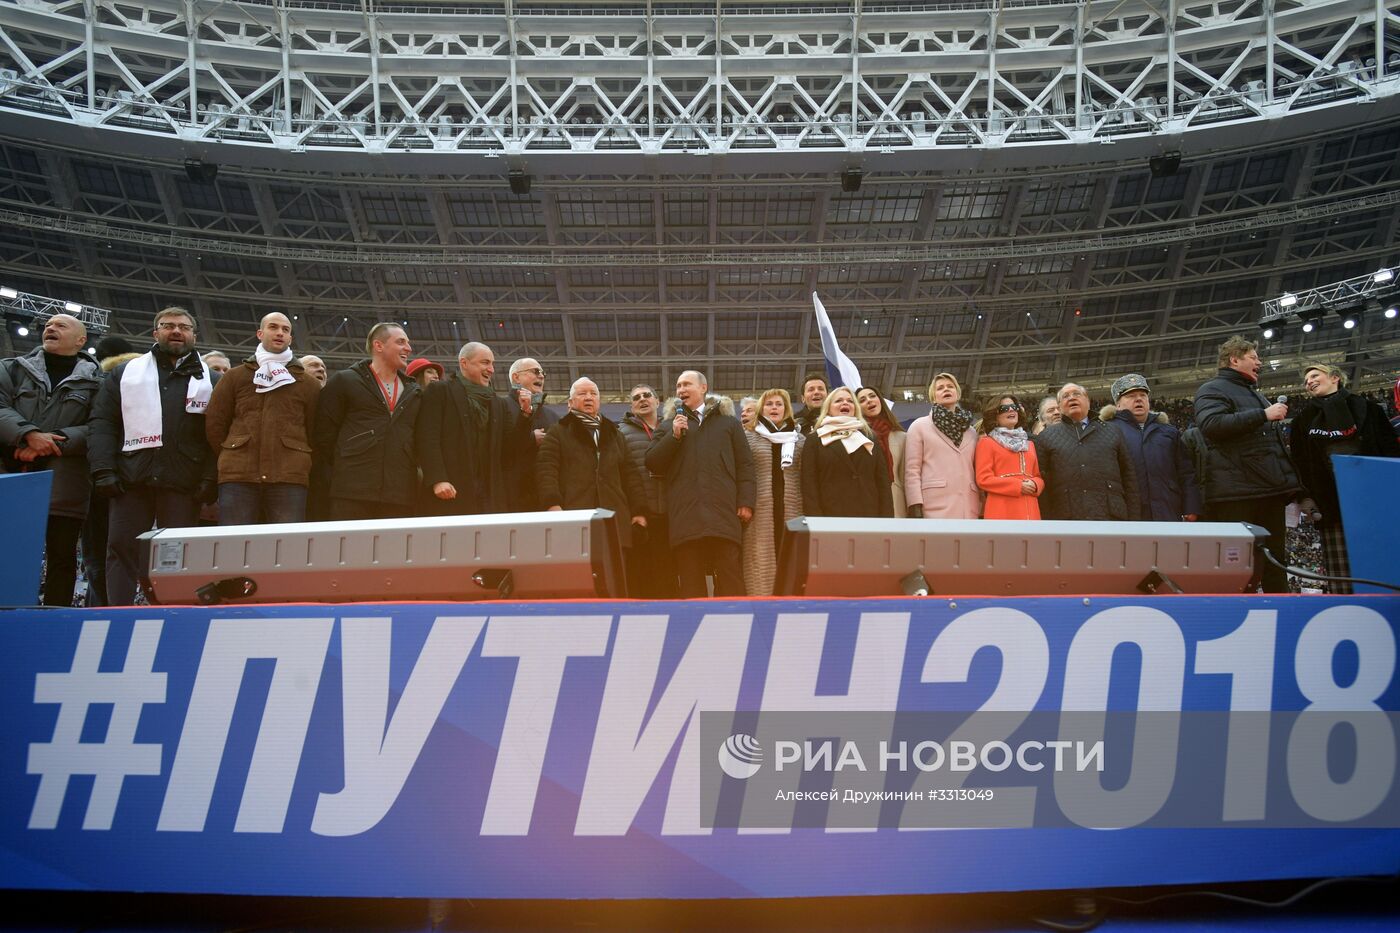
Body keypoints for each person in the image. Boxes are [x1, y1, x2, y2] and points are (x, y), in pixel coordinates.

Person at [88, 307, 219, 605]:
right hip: (131, 477)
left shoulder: (211, 380)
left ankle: (172, 616)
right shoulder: (124, 374)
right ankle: (117, 615)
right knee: (121, 548)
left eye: (184, 327)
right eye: (168, 325)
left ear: (194, 336)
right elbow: (103, 423)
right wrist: (103, 470)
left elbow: (218, 435)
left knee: (178, 554)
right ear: (155, 332)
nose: (176, 331)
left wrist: (210, 477)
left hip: (183, 482)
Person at [0, 313, 101, 606]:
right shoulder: (11, 369)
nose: (50, 328)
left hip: (65, 479)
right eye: (47, 326)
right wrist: (29, 434)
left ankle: (55, 615)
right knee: (9, 550)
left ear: (81, 340)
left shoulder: (98, 382)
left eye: (60, 325)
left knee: (62, 554)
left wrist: (51, 441)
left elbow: (99, 426)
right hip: (11, 473)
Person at [1193, 336, 1301, 593]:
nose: (1259, 363)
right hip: (1236, 495)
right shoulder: (1212, 389)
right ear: (1234, 359)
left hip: (1268, 490)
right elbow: (1212, 425)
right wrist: (1263, 415)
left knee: (1277, 563)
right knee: (1237, 567)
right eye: (1253, 357)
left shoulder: (1254, 394)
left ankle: (1282, 619)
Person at [1289, 363, 1400, 593]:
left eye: (1314, 375)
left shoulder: (1369, 410)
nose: (1308, 382)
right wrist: (1304, 497)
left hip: (1373, 499)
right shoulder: (1302, 421)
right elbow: (1298, 463)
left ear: (1335, 377)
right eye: (1306, 380)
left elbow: (1390, 451)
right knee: (1341, 579)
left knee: (1382, 568)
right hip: (1330, 504)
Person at [645, 370, 755, 598]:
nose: (681, 390)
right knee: (690, 580)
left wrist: (746, 502)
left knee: (730, 576)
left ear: (703, 388)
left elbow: (745, 465)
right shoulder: (668, 426)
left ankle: (736, 624)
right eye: (678, 386)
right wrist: (674, 437)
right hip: (685, 517)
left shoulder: (729, 424)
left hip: (724, 515)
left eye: (687, 384)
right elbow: (652, 462)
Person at [204, 312, 321, 525]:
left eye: (285, 330)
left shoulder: (308, 384)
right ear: (260, 333)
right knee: (234, 545)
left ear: (291, 339)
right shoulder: (235, 376)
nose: (280, 333)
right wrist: (233, 451)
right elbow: (215, 422)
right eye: (273, 327)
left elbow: (315, 430)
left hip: (290, 475)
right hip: (238, 475)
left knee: (287, 547)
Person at [311, 322, 422, 521]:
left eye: (408, 343)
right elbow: (324, 435)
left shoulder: (414, 392)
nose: (408, 348)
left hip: (399, 494)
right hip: (351, 492)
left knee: (393, 551)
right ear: (379, 346)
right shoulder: (344, 381)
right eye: (400, 342)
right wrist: (346, 466)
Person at [536, 377, 647, 548]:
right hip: (573, 518)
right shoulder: (557, 432)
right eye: (582, 393)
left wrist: (639, 511)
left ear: (599, 401)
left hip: (616, 520)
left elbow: (631, 476)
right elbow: (546, 471)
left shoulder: (616, 435)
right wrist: (552, 504)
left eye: (593, 393)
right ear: (571, 402)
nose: (588, 397)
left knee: (617, 573)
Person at [415, 342, 523, 515]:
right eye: (485, 362)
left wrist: (525, 415)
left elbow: (508, 448)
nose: (491, 369)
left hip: (488, 495)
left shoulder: (497, 402)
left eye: (492, 364)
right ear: (464, 363)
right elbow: (427, 438)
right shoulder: (440, 391)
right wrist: (438, 479)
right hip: (450, 491)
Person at [79, 335, 136, 606]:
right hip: (144, 479)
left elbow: (95, 428)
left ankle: (101, 615)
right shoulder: (150, 382)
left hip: (99, 478)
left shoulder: (95, 384)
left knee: (101, 556)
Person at [1102, 373, 1202, 522]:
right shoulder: (1106, 431)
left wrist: (1191, 506)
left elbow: (1186, 473)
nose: (1138, 399)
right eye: (1131, 396)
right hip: (1126, 514)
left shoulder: (1169, 431)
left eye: (1143, 395)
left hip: (1167, 510)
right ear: (1118, 404)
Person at [1034, 382, 1140, 522]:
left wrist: (1134, 520)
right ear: (1059, 407)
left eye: (1077, 394)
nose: (1071, 398)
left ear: (1088, 401)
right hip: (1065, 519)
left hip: (1111, 517)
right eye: (1065, 396)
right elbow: (1043, 484)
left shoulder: (1112, 431)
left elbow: (1129, 476)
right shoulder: (1046, 437)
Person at [743, 388, 805, 596]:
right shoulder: (748, 437)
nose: (774, 408)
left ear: (786, 409)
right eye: (769, 404)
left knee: (791, 560)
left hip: (793, 509)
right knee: (760, 563)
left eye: (779, 404)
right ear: (761, 409)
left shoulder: (800, 439)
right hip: (760, 511)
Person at [617, 383, 676, 598]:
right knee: (644, 574)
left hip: (672, 511)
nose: (642, 399)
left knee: (671, 573)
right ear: (632, 406)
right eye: (636, 398)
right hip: (642, 512)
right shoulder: (621, 432)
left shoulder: (672, 428)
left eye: (647, 395)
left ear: (657, 401)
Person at [802, 386, 893, 518]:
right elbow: (809, 485)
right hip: (830, 517)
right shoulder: (814, 439)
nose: (845, 403)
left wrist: (886, 518)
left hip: (869, 516)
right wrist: (815, 520)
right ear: (828, 408)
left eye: (850, 401)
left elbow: (882, 482)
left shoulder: (869, 437)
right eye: (839, 400)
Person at [904, 372, 979, 519]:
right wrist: (915, 504)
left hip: (969, 506)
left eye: (950, 386)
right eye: (940, 388)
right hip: (933, 507)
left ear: (957, 393)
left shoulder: (971, 431)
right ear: (933, 397)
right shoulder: (919, 426)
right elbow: (912, 470)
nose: (946, 389)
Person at [975, 395, 1043, 520]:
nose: (1011, 410)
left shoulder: (1030, 444)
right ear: (994, 415)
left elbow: (1037, 476)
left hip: (1030, 509)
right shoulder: (987, 442)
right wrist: (1018, 486)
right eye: (1004, 408)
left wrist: (1036, 484)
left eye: (1014, 407)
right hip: (1002, 509)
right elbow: (983, 479)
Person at [506, 357, 559, 511]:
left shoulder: (553, 416)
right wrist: (530, 439)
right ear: (516, 377)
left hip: (548, 499)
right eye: (535, 371)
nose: (541, 376)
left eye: (543, 373)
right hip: (513, 500)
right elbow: (496, 448)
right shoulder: (501, 407)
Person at [857, 386, 907, 517]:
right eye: (862, 400)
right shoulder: (855, 438)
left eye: (872, 396)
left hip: (896, 503)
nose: (869, 400)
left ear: (880, 400)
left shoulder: (901, 437)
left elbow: (905, 477)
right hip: (866, 503)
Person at [794, 372, 828, 437]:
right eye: (811, 390)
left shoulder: (837, 419)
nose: (816, 392)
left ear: (828, 396)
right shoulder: (792, 422)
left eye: (821, 389)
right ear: (803, 398)